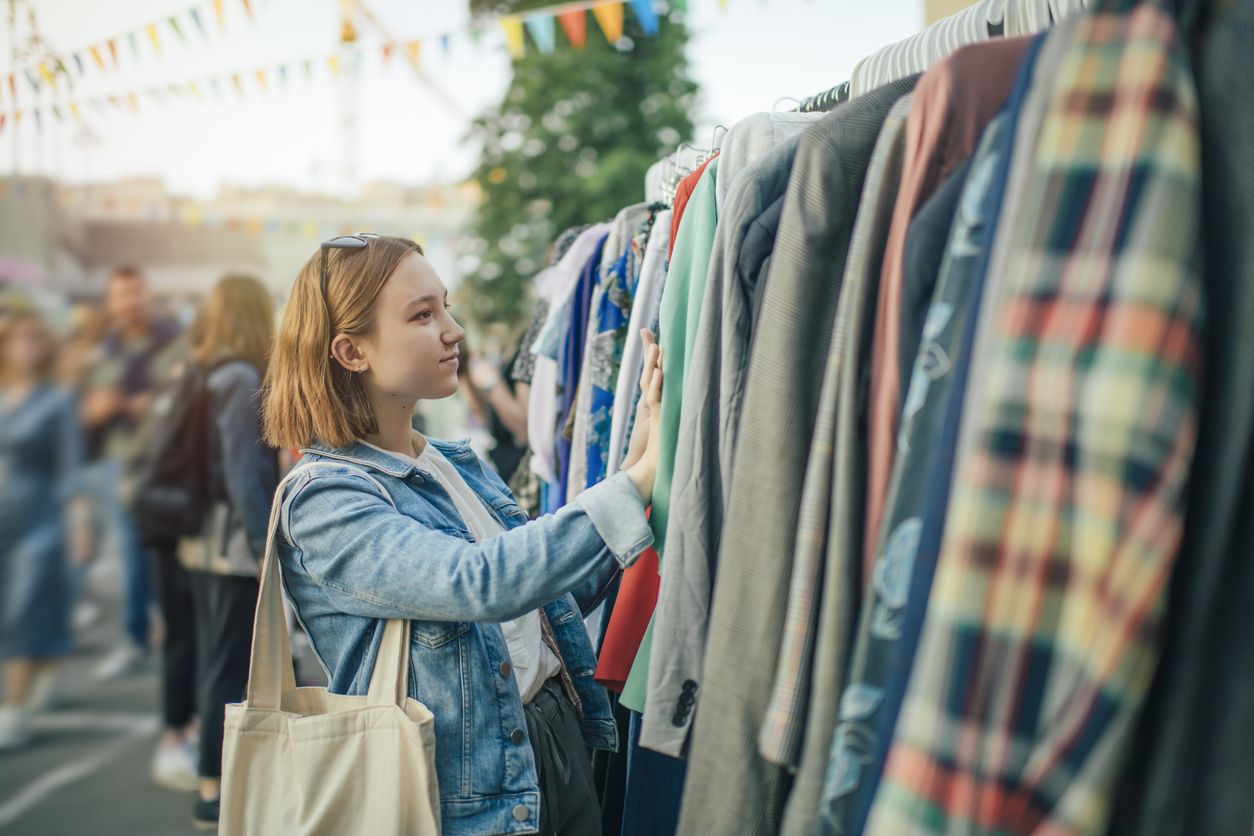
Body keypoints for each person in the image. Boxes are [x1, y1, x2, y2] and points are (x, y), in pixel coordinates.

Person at [259, 234, 663, 835]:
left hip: (550, 745)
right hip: (459, 797)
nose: (453, 330)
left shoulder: (451, 461)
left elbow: (545, 607)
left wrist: (638, 470)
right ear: (351, 351)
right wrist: (631, 485)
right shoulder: (324, 498)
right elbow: (479, 583)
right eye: (423, 315)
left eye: (444, 306)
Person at [177, 275, 279, 830]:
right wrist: (262, 543)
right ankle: (214, 788)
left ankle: (213, 778)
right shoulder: (239, 376)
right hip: (229, 542)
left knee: (214, 658)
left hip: (203, 538)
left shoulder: (207, 369)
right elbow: (243, 474)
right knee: (227, 663)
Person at [81, 266, 181, 681]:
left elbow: (181, 396)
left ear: (148, 295)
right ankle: (137, 636)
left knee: (159, 552)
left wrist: (136, 403)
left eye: (136, 293)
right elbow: (84, 409)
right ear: (111, 301)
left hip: (163, 461)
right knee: (129, 552)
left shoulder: (174, 342)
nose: (130, 302)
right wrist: (97, 409)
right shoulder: (104, 351)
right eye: (121, 295)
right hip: (114, 461)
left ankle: (152, 635)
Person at [0, 310, 93, 750]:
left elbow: (70, 467)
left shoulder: (56, 401)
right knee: (11, 609)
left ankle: (14, 710)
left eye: (35, 340)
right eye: (17, 339)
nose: (26, 348)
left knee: (25, 608)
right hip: (3, 521)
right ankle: (48, 663)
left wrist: (79, 523)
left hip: (40, 517)